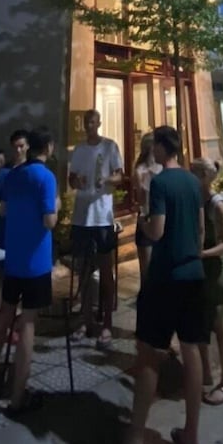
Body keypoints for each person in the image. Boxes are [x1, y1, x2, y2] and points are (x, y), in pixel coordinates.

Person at [127, 126, 205, 444]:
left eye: (154, 145)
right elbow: (200, 229)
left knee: (149, 353)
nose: (152, 151)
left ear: (161, 147)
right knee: (191, 351)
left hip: (164, 277)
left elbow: (156, 231)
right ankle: (191, 434)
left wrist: (142, 222)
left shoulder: (160, 182)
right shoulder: (193, 181)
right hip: (194, 274)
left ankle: (134, 436)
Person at [0, 128, 58, 416]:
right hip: (36, 262)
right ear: (48, 147)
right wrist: (57, 205)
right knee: (27, 324)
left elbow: (3, 209)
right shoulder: (45, 177)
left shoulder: (12, 175)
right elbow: (49, 221)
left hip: (13, 257)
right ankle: (17, 397)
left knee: (4, 315)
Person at [69, 109, 123, 350]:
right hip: (82, 216)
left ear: (99, 123)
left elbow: (119, 176)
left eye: (93, 122)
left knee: (105, 269)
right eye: (86, 122)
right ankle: (85, 320)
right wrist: (76, 182)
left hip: (102, 217)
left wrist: (107, 180)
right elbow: (71, 178)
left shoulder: (110, 147)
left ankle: (107, 322)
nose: (90, 126)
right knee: (83, 270)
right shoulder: (79, 150)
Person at [191, 157, 223, 407]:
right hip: (200, 268)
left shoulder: (217, 205)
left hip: (216, 269)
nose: (191, 176)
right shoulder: (197, 201)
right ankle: (206, 373)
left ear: (205, 177)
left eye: (195, 172)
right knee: (200, 320)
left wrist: (204, 253)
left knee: (219, 325)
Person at [0, 129, 30, 348]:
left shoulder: (31, 172)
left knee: (17, 283)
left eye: (22, 146)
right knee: (2, 281)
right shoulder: (4, 173)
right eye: (15, 146)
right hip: (4, 233)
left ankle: (8, 326)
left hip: (24, 235)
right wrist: (2, 209)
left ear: (28, 147)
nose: (18, 150)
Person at [134, 132, 162, 282]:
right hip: (147, 216)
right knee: (147, 269)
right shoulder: (140, 170)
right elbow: (140, 199)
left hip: (162, 216)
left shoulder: (162, 167)